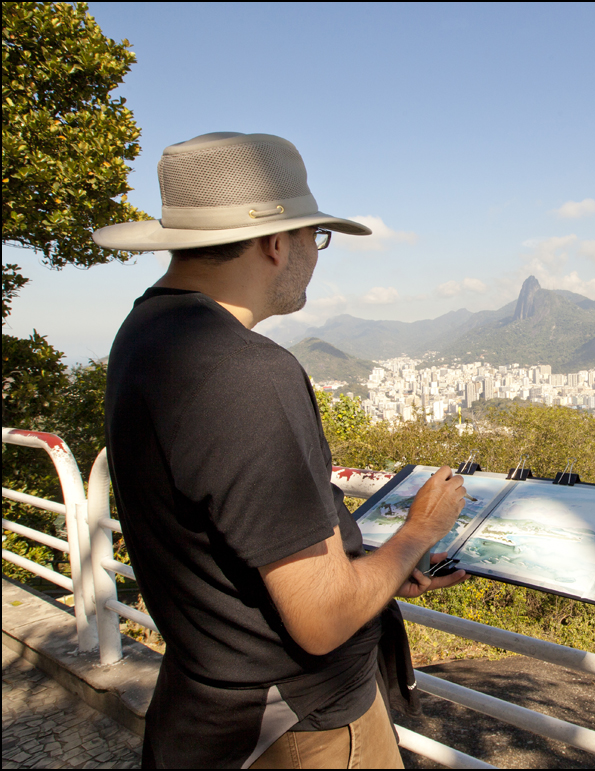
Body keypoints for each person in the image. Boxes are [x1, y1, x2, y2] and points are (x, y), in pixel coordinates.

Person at [93, 132, 467, 769]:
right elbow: (321, 619)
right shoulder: (246, 371)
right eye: (314, 236)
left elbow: (233, 537)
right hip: (298, 728)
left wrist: (379, 568)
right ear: (275, 242)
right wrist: (418, 532)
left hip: (204, 702)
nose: (315, 255)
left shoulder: (148, 331)